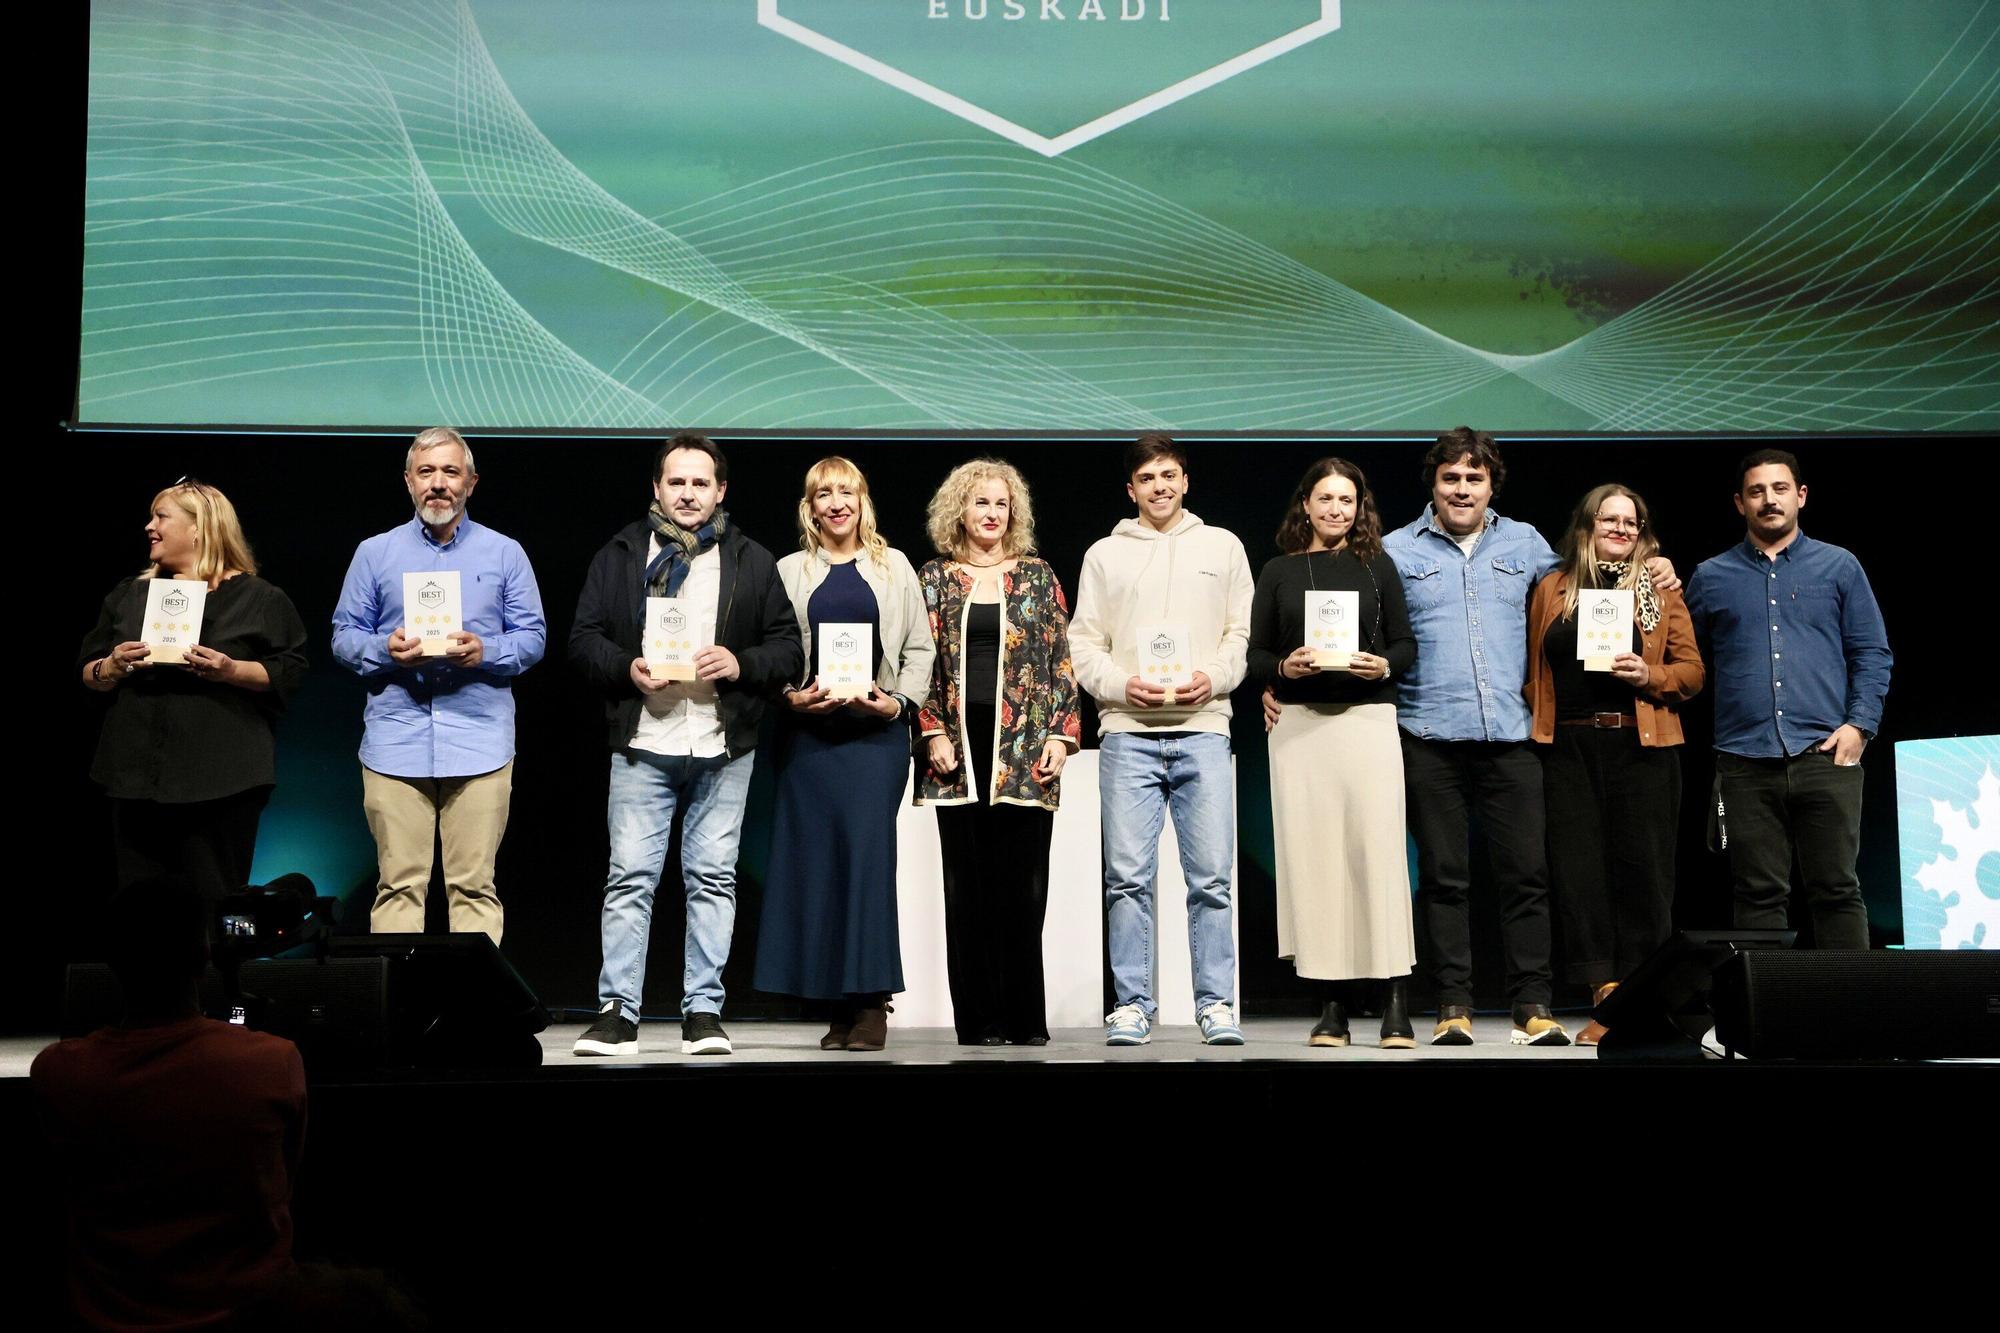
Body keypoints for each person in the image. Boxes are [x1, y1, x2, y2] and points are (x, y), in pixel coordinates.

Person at [1268, 429, 1677, 1045]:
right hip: (1428, 735)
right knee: (1444, 878)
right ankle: (1452, 1004)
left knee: (1526, 877)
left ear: (1491, 486)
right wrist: (1279, 684)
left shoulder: (1527, 543)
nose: (1462, 489)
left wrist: (1650, 563)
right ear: (1433, 484)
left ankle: (1531, 1005)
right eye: (1451, 479)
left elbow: (1587, 585)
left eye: (1474, 479)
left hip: (1511, 737)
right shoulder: (1395, 550)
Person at [567, 433, 802, 1058]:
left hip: (723, 745)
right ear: (657, 488)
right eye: (678, 482)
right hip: (644, 739)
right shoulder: (620, 554)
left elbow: (788, 649)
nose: (689, 494)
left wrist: (742, 661)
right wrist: (627, 668)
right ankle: (617, 1013)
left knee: (713, 879)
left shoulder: (752, 560)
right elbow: (583, 639)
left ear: (720, 490)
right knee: (629, 880)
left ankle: (702, 1012)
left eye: (702, 483)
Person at [33, 877, 307, 1329]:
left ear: (111, 960)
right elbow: (286, 1185)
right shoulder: (273, 1061)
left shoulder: (57, 1071)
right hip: (251, 1315)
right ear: (204, 954)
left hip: (102, 1320)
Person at [1069, 434, 1255, 1046]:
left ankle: (1216, 1003)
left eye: (1170, 475)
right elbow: (1084, 645)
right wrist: (1123, 686)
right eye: (1147, 478)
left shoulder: (1222, 546)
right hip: (1127, 735)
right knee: (1126, 877)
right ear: (1131, 489)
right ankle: (1132, 1005)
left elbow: (1238, 636)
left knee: (1212, 880)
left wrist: (1215, 678)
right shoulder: (1104, 555)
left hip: (1204, 730)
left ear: (1185, 481)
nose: (1160, 487)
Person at [331, 427, 546, 944]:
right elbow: (343, 636)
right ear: (408, 481)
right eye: (426, 472)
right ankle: (398, 1016)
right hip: (394, 742)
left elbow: (534, 637)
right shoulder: (374, 553)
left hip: (480, 741)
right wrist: (386, 649)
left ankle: (474, 1019)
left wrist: (485, 652)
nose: (438, 484)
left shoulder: (504, 553)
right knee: (398, 887)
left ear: (471, 482)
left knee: (474, 887)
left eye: (451, 472)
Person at [755, 457, 934, 1052]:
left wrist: (899, 703)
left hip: (873, 741)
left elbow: (919, 647)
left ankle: (872, 1001)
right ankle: (836, 1003)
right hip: (809, 740)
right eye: (823, 494)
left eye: (847, 492)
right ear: (809, 507)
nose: (836, 503)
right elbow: (773, 650)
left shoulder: (894, 566)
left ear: (863, 501)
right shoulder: (786, 570)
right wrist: (790, 696)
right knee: (818, 871)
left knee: (866, 865)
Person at [1685, 449, 1891, 949]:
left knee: (1837, 889)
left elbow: (1871, 652)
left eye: (1779, 489)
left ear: (1800, 496)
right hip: (1743, 760)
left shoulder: (1839, 566)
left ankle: (1850, 1016)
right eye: (1756, 491)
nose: (1769, 500)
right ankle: (1765, 1021)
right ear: (1740, 503)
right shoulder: (1711, 576)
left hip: (1826, 753)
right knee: (1756, 893)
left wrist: (1859, 727)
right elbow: (1684, 662)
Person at [1247, 458, 1419, 1049]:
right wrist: (1281, 668)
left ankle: (1396, 1002)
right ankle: (1331, 1007)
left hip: (1368, 723)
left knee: (1379, 858)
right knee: (1316, 867)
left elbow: (1404, 642)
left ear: (1359, 508)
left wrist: (1386, 663)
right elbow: (1256, 654)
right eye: (1325, 498)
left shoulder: (1378, 567)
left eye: (1347, 500)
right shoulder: (1278, 571)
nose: (1336, 510)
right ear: (1306, 504)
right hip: (1300, 730)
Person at [1525, 484, 1704, 1045]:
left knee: (1644, 877)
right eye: (1611, 520)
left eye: (1632, 521)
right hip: (1569, 750)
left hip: (1642, 748)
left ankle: (1642, 1000)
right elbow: (1531, 667)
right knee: (1580, 878)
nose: (1622, 529)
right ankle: (1604, 999)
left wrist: (1649, 677)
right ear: (1587, 526)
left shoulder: (1657, 587)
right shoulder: (1553, 588)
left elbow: (1692, 673)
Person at [78, 480, 308, 910]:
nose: (150, 527)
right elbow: (87, 671)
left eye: (161, 517)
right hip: (133, 778)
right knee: (138, 912)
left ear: (200, 529)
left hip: (220, 783)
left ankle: (213, 979)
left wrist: (229, 670)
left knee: (212, 908)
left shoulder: (260, 599)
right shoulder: (131, 594)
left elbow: (289, 673)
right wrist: (109, 668)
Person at [915, 459, 1081, 1046]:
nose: (991, 514)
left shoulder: (1037, 575)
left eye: (1001, 504)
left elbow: (1063, 660)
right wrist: (931, 730)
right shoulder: (933, 579)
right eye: (981, 502)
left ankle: (1023, 1020)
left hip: (1025, 750)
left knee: (1024, 889)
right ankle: (979, 1022)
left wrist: (1061, 737)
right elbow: (918, 662)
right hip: (957, 752)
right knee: (967, 890)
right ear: (959, 508)